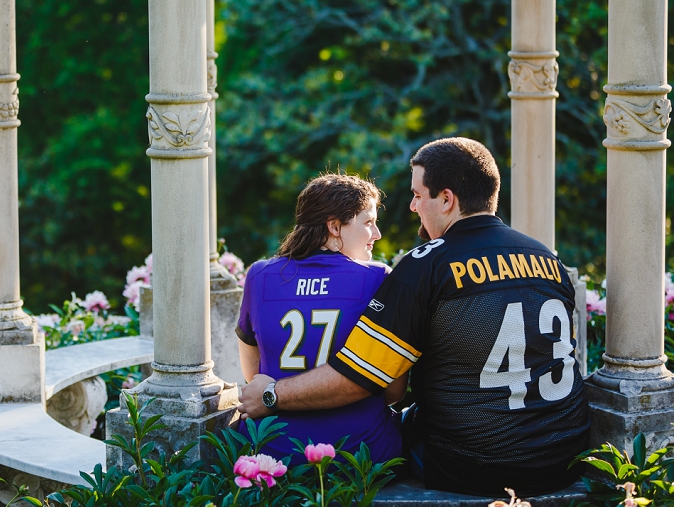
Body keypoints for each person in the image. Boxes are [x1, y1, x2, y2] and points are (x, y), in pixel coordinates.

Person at [238, 138, 590, 497]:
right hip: (563, 456)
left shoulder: (424, 265)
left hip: (470, 466)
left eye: (418, 195)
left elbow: (361, 378)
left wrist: (270, 395)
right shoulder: (547, 258)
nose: (412, 206)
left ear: (447, 200)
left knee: (402, 426)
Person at [236, 173, 404, 465]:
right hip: (361, 453)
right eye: (368, 223)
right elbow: (393, 390)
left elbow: (254, 378)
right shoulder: (379, 278)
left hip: (273, 451)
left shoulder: (259, 274)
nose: (376, 234)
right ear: (334, 226)